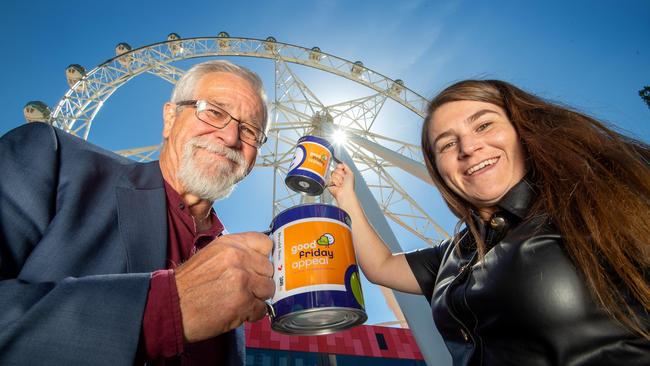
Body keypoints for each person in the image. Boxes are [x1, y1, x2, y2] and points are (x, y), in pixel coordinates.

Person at [328, 79, 650, 365]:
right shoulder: (455, 255)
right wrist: (346, 197)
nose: (468, 148)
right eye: (447, 144)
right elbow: (381, 266)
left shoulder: (595, 204)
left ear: (522, 130)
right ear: (438, 169)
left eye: (483, 126)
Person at [0, 60, 275, 365]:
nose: (231, 137)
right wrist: (162, 309)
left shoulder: (245, 266)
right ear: (170, 118)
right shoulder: (52, 160)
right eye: (214, 111)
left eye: (250, 131)